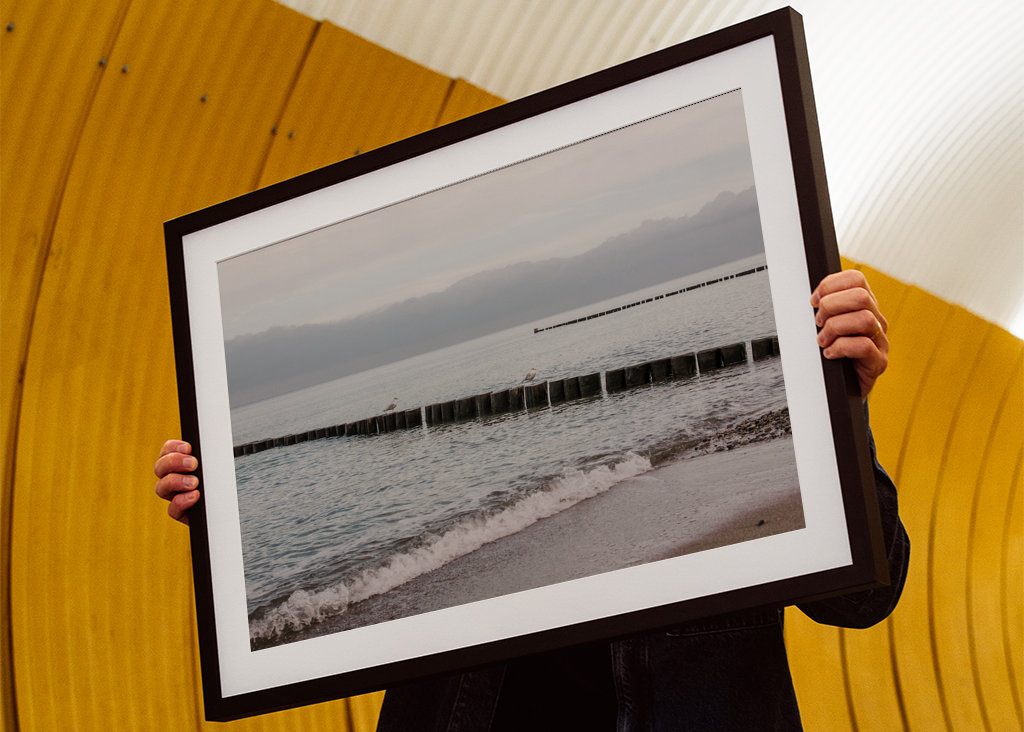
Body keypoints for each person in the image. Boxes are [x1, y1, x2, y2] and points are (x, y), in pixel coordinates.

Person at [155, 270, 908, 731]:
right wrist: (231, 525)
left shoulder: (774, 438)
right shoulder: (453, 500)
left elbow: (865, 598)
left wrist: (840, 404)